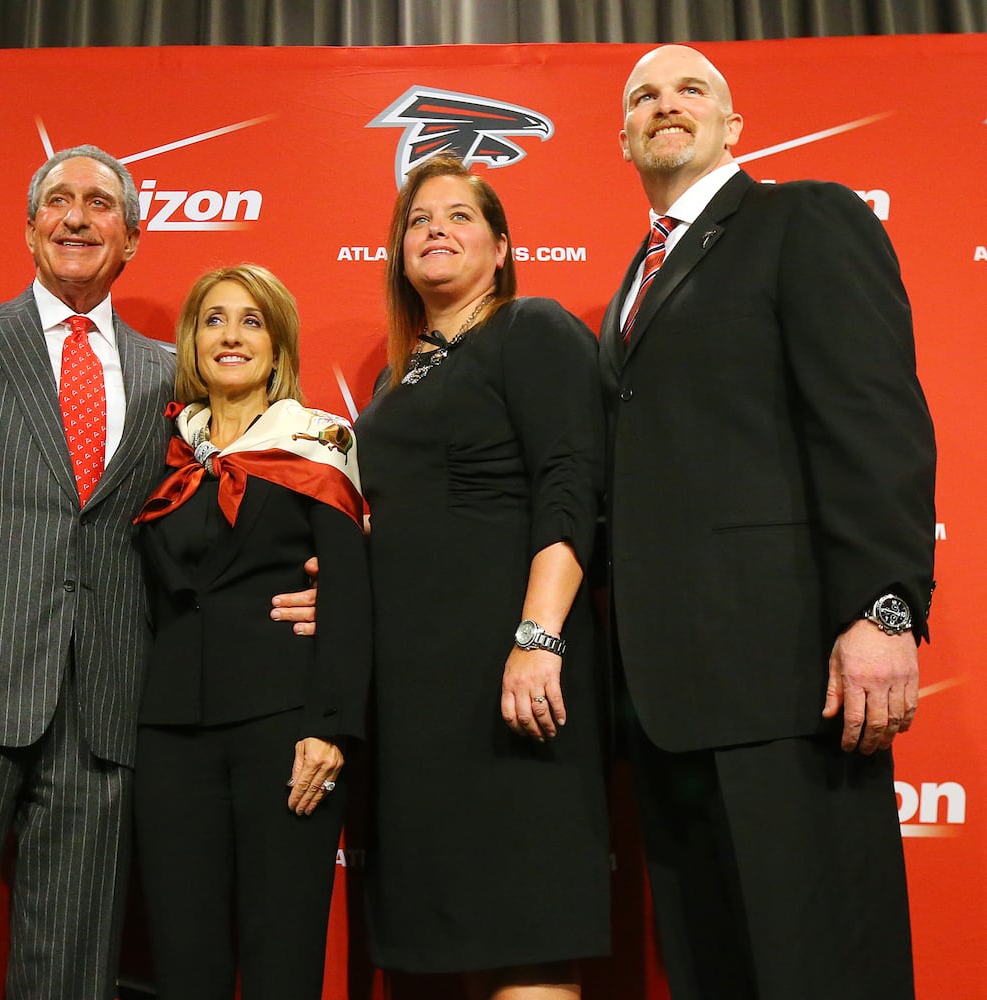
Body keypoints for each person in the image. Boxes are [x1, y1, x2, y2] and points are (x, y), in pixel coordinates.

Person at [0, 147, 315, 1000]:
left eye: (100, 205)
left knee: (70, 976)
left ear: (130, 238)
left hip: (105, 712)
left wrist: (311, 578)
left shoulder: (171, 377)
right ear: (29, 229)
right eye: (57, 202)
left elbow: (218, 517)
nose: (75, 218)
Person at [600, 45, 937, 999]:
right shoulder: (632, 284)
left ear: (733, 127)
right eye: (645, 97)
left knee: (821, 968)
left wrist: (882, 609)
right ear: (624, 136)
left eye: (690, 90)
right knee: (720, 973)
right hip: (667, 703)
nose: (666, 106)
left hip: (793, 685)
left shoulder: (805, 219)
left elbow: (872, 422)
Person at [354, 153, 609, 999]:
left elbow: (570, 488)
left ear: (501, 246)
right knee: (443, 941)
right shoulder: (399, 374)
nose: (436, 230)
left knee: (524, 929)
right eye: (419, 219)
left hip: (513, 674)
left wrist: (538, 639)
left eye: (460, 215)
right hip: (415, 696)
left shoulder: (532, 327)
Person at [130, 263, 371, 1000]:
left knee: (282, 952)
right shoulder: (159, 445)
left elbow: (350, 595)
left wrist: (329, 726)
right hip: (169, 733)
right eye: (213, 319)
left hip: (284, 727)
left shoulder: (320, 440)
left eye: (251, 321)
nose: (230, 336)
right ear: (191, 340)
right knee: (182, 956)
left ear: (277, 344)